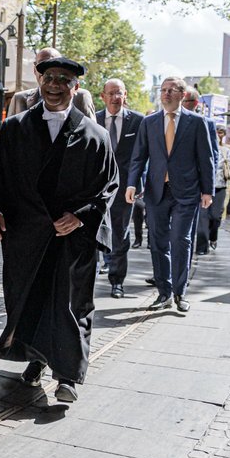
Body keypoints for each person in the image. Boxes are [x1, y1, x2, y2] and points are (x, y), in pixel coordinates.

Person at [0, 56, 118, 403]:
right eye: (49, 78)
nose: (55, 85)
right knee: (29, 300)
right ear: (40, 82)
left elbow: (108, 186)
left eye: (64, 79)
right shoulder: (15, 128)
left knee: (71, 305)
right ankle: (37, 359)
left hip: (72, 238)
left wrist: (82, 215)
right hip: (26, 235)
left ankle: (68, 374)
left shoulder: (95, 136)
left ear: (76, 87)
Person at [125, 76, 215, 313]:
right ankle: (164, 293)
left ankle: (180, 292)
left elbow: (206, 159)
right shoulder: (149, 122)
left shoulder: (197, 123)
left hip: (187, 192)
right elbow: (138, 157)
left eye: (171, 90)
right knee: (157, 242)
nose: (165, 94)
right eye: (163, 90)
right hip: (156, 192)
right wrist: (132, 184)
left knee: (181, 240)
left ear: (182, 95)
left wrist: (208, 190)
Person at [95, 79, 142, 298]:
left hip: (125, 188)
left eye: (119, 93)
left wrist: (136, 184)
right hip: (96, 188)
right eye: (111, 93)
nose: (115, 97)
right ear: (103, 96)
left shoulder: (138, 122)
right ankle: (88, 277)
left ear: (126, 96)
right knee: (91, 230)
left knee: (120, 233)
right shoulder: (92, 120)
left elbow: (142, 157)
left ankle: (117, 281)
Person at [6, 47, 96, 118]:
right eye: (42, 64)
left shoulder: (81, 97)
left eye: (54, 64)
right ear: (34, 70)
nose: (47, 70)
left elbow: (92, 134)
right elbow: (8, 137)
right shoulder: (19, 99)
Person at [182, 87, 219, 256]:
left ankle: (201, 248)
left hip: (195, 182)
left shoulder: (206, 123)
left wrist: (207, 187)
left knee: (198, 222)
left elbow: (212, 157)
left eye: (185, 100)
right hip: (172, 182)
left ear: (195, 104)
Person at [197, 126, 230, 252]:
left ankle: (213, 237)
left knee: (215, 217)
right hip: (201, 188)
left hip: (219, 187)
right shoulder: (199, 148)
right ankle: (202, 247)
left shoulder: (225, 150)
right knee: (202, 217)